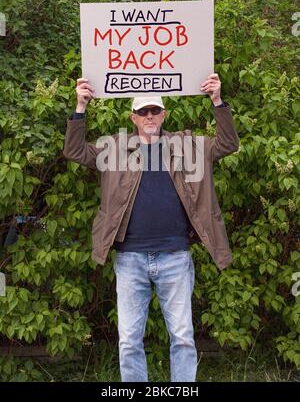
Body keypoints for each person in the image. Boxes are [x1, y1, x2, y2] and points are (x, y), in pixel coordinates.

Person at [63, 73, 240, 382]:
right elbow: (76, 152)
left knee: (183, 337)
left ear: (163, 114)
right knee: (129, 340)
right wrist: (80, 106)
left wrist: (216, 100)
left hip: (175, 257)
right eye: (143, 111)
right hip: (130, 259)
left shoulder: (187, 145)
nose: (149, 116)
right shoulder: (114, 148)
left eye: (154, 111)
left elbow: (228, 143)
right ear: (133, 117)